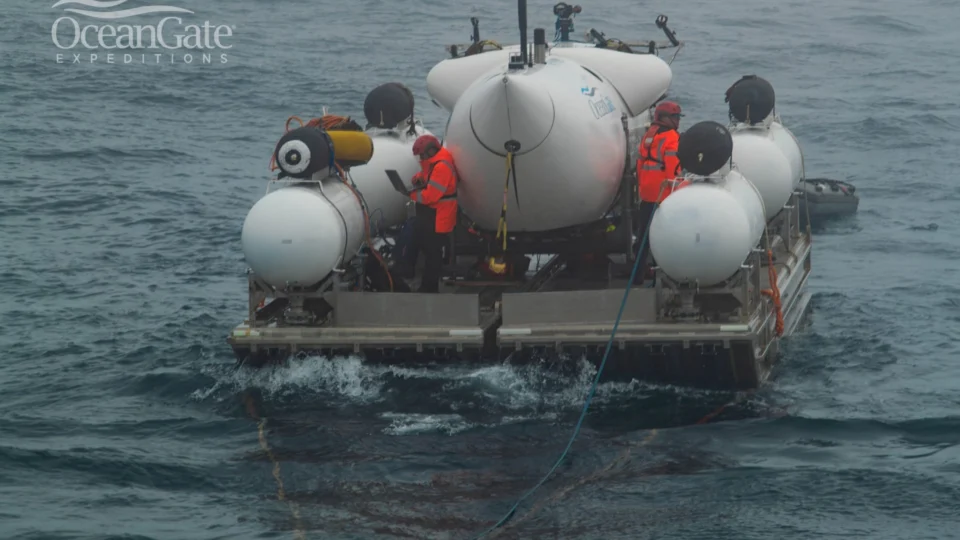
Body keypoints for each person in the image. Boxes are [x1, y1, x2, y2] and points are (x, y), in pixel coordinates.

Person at [634, 100, 683, 283]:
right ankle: (662, 278)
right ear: (664, 117)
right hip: (664, 195)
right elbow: (673, 169)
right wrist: (679, 192)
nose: (677, 121)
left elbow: (640, 165)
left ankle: (638, 276)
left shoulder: (649, 135)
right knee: (664, 238)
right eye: (675, 117)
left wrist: (642, 188)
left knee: (643, 239)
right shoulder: (671, 137)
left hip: (647, 193)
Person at [408, 134, 458, 293]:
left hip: (440, 217)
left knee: (433, 254)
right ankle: (428, 285)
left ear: (430, 152)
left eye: (422, 155)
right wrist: (417, 179)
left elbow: (430, 196)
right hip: (434, 216)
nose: (421, 158)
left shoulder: (442, 167)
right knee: (429, 250)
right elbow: (427, 175)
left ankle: (429, 287)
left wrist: (412, 195)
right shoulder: (435, 163)